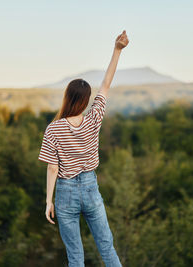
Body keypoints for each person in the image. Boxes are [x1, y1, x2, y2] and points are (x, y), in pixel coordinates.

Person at [38, 30, 129, 267]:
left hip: (65, 193)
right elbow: (106, 84)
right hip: (90, 189)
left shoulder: (54, 129)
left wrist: (49, 201)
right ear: (87, 100)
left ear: (67, 97)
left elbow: (52, 168)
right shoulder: (94, 118)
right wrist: (117, 50)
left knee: (75, 258)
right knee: (107, 249)